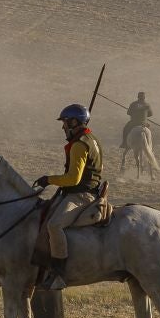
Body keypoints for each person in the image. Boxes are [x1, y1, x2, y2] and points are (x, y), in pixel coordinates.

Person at [33, 104, 106, 290]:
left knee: (54, 225)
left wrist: (48, 180)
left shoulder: (79, 145)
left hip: (82, 195)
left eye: (65, 122)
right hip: (87, 191)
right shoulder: (91, 139)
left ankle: (59, 274)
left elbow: (73, 179)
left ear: (74, 122)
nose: (63, 127)